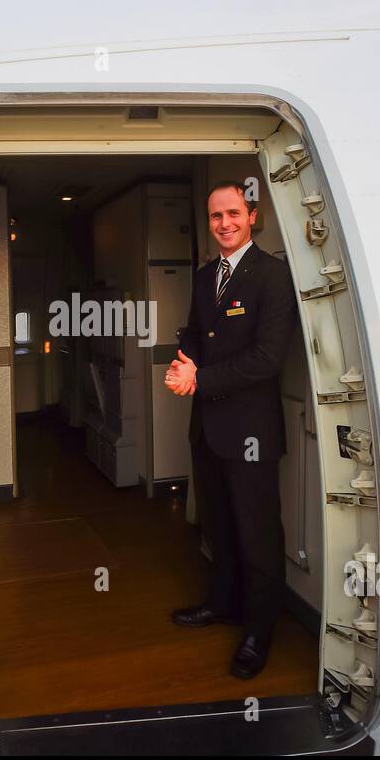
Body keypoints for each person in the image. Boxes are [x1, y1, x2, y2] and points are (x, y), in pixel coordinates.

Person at [165, 181, 297, 679]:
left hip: (251, 432)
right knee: (219, 526)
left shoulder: (273, 277)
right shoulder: (204, 277)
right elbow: (198, 336)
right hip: (209, 428)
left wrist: (202, 378)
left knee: (258, 534)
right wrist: (184, 365)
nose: (224, 224)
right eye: (216, 216)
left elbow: (267, 358)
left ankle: (259, 632)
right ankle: (221, 604)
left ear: (253, 216)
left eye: (234, 214)